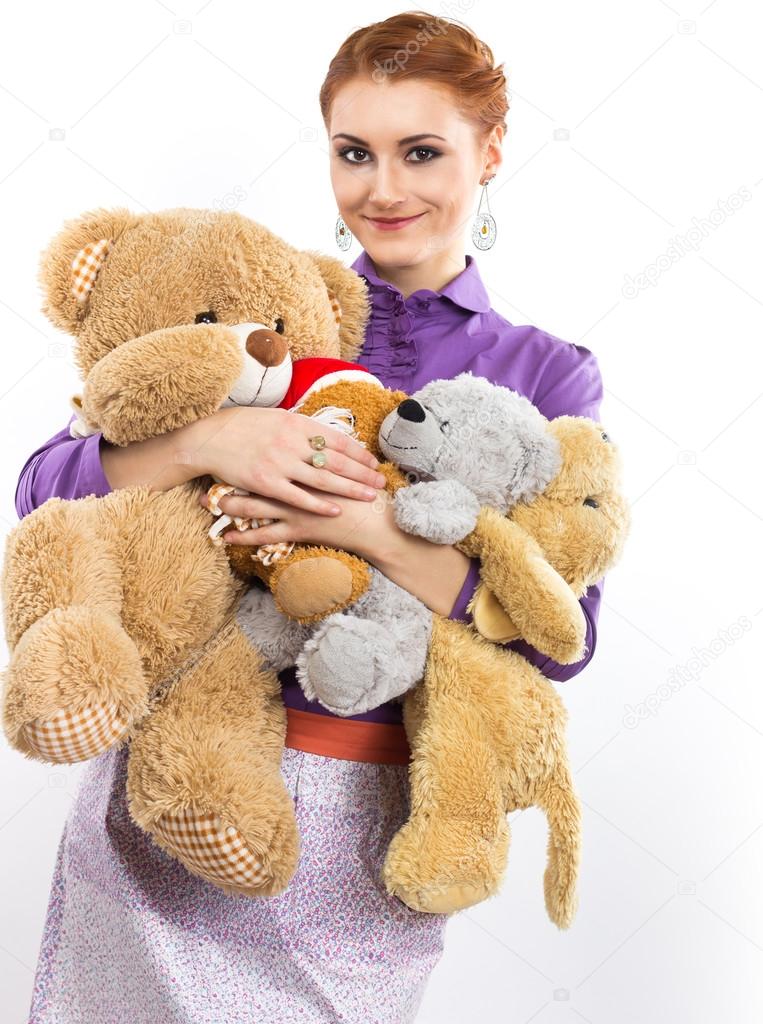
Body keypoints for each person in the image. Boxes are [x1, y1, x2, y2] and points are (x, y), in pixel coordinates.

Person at [18, 12, 605, 1023]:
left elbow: (563, 636)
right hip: (170, 779)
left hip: (363, 821)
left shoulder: (546, 374)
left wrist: (376, 531)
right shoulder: (269, 305)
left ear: (490, 153)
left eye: (421, 151)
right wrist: (206, 444)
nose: (384, 188)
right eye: (353, 152)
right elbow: (46, 486)